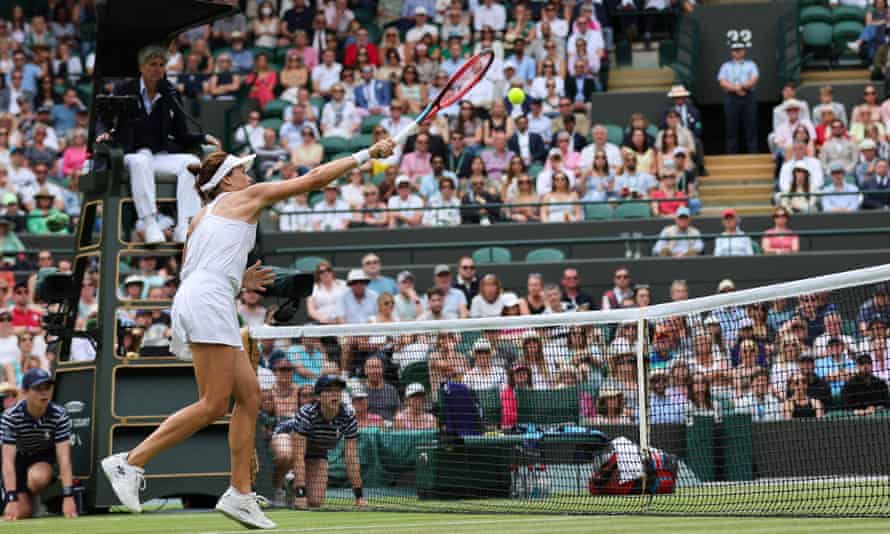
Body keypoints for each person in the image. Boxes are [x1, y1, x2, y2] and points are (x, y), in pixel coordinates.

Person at [100, 136, 394, 528]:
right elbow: (313, 180)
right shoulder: (247, 197)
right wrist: (366, 155)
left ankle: (239, 493)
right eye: (240, 170)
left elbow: (196, 271)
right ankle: (130, 462)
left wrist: (239, 280)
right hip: (208, 301)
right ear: (225, 181)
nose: (247, 174)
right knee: (212, 404)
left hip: (206, 297)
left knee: (250, 396)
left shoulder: (201, 219)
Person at [97, 45, 221, 245]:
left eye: (161, 65)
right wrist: (103, 133)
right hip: (130, 153)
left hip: (159, 154)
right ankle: (150, 222)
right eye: (152, 64)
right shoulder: (124, 89)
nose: (157, 69)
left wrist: (202, 137)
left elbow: (181, 133)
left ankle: (185, 226)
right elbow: (103, 118)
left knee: (190, 163)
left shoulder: (170, 92)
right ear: (141, 67)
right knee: (141, 161)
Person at [271, 375, 365, 510]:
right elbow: (298, 456)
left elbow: (351, 458)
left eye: (338, 391)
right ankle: (278, 489)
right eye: (329, 390)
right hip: (288, 438)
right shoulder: (307, 413)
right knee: (286, 455)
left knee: (315, 501)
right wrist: (301, 494)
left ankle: (291, 484)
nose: (335, 394)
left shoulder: (348, 416)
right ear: (319, 397)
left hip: (317, 450)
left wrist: (359, 496)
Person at [1, 368, 77, 520]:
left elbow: (64, 458)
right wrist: (11, 497)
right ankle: (23, 501)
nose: (44, 393)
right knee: (19, 513)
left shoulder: (59, 415)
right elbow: (7, 461)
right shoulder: (11, 416)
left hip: (43, 459)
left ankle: (35, 501)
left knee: (38, 478)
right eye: (38, 388)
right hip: (17, 462)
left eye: (47, 387)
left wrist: (68, 496)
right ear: (25, 392)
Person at [718, 42, 759, 154]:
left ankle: (753, 155)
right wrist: (736, 89)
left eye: (739, 49)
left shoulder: (751, 64)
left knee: (751, 126)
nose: (737, 52)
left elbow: (754, 79)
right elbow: (722, 81)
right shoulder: (725, 66)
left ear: (744, 51)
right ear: (732, 52)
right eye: (735, 50)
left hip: (748, 96)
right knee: (731, 127)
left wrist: (741, 87)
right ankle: (731, 155)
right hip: (731, 97)